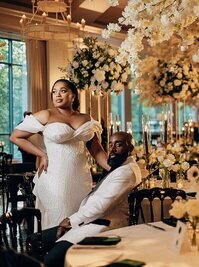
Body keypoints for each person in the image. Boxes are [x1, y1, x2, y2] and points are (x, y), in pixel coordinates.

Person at [9, 79, 110, 229]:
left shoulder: (86, 119)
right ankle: (55, 250)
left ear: (73, 96)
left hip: (81, 180)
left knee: (81, 221)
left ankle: (76, 252)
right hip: (55, 179)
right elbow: (15, 136)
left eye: (63, 91)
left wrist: (114, 168)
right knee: (59, 221)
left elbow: (97, 150)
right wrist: (42, 154)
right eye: (54, 92)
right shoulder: (46, 115)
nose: (57, 95)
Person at [30, 131, 141, 267]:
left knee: (50, 261)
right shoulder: (119, 166)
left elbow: (100, 206)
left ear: (130, 148)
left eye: (118, 145)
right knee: (33, 240)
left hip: (103, 225)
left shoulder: (126, 171)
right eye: (110, 144)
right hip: (88, 221)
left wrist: (71, 221)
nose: (112, 149)